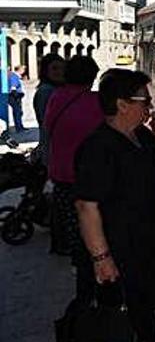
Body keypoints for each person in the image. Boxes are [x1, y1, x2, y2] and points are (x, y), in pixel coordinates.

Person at [74, 69, 155, 342]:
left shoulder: (143, 137)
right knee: (125, 320)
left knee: (143, 313)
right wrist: (102, 259)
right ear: (122, 104)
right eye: (144, 101)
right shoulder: (98, 147)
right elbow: (87, 206)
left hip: (147, 245)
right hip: (119, 250)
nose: (149, 107)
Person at [44, 56, 103, 271]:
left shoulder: (55, 97)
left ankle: (80, 269)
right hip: (87, 177)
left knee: (74, 229)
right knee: (92, 231)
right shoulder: (96, 102)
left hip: (60, 174)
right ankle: (91, 276)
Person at [33, 54, 65, 167]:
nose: (59, 72)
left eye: (62, 68)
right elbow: (47, 120)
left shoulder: (57, 89)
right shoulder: (46, 91)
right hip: (52, 148)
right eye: (55, 68)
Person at [8, 65, 27, 132]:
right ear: (19, 70)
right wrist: (17, 96)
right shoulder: (14, 76)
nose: (24, 71)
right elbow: (13, 87)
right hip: (15, 96)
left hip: (15, 96)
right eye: (23, 69)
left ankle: (20, 126)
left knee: (18, 112)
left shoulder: (16, 76)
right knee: (17, 111)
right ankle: (19, 127)